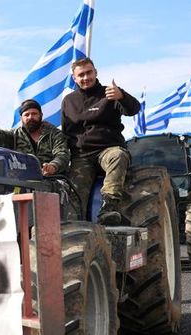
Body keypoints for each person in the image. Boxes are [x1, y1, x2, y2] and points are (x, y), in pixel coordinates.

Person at [61, 58, 141, 225]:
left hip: (108, 149)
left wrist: (122, 96)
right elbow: (66, 133)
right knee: (72, 191)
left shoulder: (111, 93)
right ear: (74, 78)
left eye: (89, 72)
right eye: (81, 75)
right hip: (82, 156)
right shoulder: (68, 101)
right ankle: (75, 227)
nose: (85, 77)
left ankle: (109, 209)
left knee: (118, 156)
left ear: (95, 72)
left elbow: (134, 108)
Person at [0, 97, 70, 176]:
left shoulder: (54, 134)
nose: (30, 117)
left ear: (41, 115)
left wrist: (53, 166)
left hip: (52, 180)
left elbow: (62, 155)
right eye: (26, 115)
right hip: (24, 182)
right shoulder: (15, 136)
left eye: (34, 114)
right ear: (21, 118)